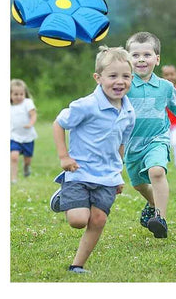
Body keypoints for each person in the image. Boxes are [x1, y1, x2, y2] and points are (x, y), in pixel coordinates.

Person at [49, 46, 135, 273]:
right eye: (113, 76)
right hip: (80, 171)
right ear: (98, 78)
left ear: (132, 78)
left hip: (107, 176)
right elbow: (59, 123)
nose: (120, 81)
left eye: (125, 76)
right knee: (78, 220)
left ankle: (77, 265)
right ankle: (65, 195)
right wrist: (64, 156)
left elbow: (121, 145)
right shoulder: (86, 105)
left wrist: (118, 176)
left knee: (98, 220)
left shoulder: (129, 112)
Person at [124, 32, 176, 239]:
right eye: (135, 55)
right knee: (138, 184)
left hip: (157, 139)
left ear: (157, 59)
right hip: (131, 144)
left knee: (157, 172)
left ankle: (160, 219)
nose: (141, 59)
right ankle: (151, 202)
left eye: (147, 54)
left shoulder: (166, 87)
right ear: (128, 59)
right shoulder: (123, 85)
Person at [10, 79, 38, 183]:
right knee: (14, 156)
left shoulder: (27, 103)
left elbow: (33, 115)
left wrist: (31, 123)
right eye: (15, 94)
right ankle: (14, 178)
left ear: (24, 93)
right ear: (10, 94)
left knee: (28, 159)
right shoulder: (10, 106)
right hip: (14, 136)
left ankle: (26, 167)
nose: (19, 96)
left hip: (28, 137)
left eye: (21, 94)